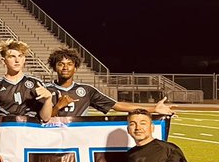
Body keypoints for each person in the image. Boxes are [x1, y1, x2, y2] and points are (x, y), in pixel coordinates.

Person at [47, 48, 175, 117]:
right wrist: (58, 106)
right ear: (54, 67)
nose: (65, 67)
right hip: (51, 140)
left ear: (75, 68)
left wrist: (153, 109)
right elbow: (40, 120)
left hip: (77, 140)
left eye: (69, 64)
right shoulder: (45, 90)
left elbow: (117, 105)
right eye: (61, 64)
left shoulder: (86, 91)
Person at [0, 40, 53, 122]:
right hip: (6, 130)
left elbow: (45, 118)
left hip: (31, 130)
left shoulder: (36, 83)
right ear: (3, 60)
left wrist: (48, 99)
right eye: (12, 56)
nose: (17, 60)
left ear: (24, 59)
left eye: (20, 56)